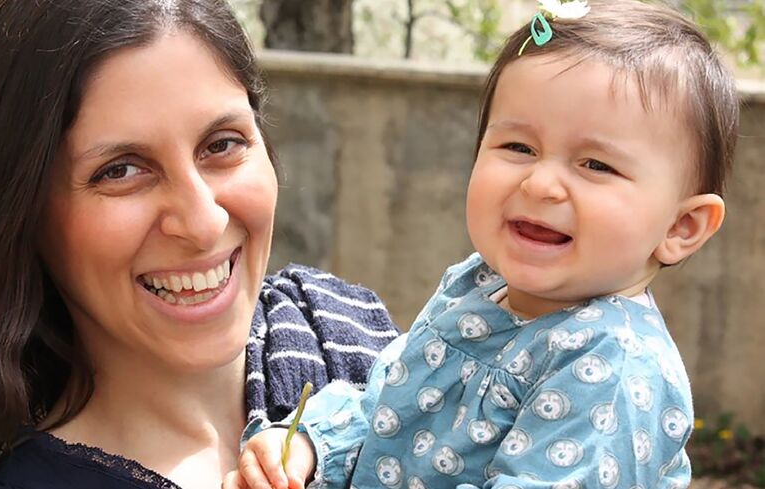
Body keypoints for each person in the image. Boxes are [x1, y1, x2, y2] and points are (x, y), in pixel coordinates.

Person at [228, 1, 739, 488]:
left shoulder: (614, 367)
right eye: (519, 146)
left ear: (681, 227)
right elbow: (384, 404)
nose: (541, 184)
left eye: (596, 164)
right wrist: (309, 445)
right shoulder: (475, 285)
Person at [0, 1, 400, 488]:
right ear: (20, 211)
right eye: (120, 171)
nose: (203, 223)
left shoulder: (345, 329)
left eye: (222, 144)